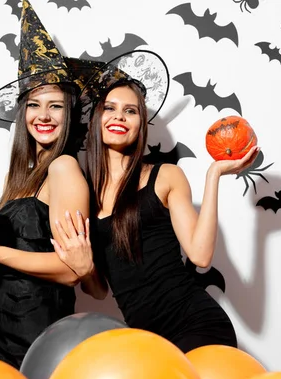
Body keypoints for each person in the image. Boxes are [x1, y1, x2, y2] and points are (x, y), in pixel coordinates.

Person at [0, 0, 107, 369]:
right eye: (34, 105)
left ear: (70, 114)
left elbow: (70, 269)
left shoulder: (63, 169)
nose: (43, 115)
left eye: (56, 106)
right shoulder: (21, 177)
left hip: (36, 333)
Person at [76, 51, 259, 353]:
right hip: (149, 343)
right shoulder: (83, 192)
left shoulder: (165, 176)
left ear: (141, 124)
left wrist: (213, 174)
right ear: (97, 119)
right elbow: (98, 291)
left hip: (196, 323)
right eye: (110, 108)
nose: (119, 116)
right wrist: (83, 268)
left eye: (131, 111)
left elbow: (200, 256)